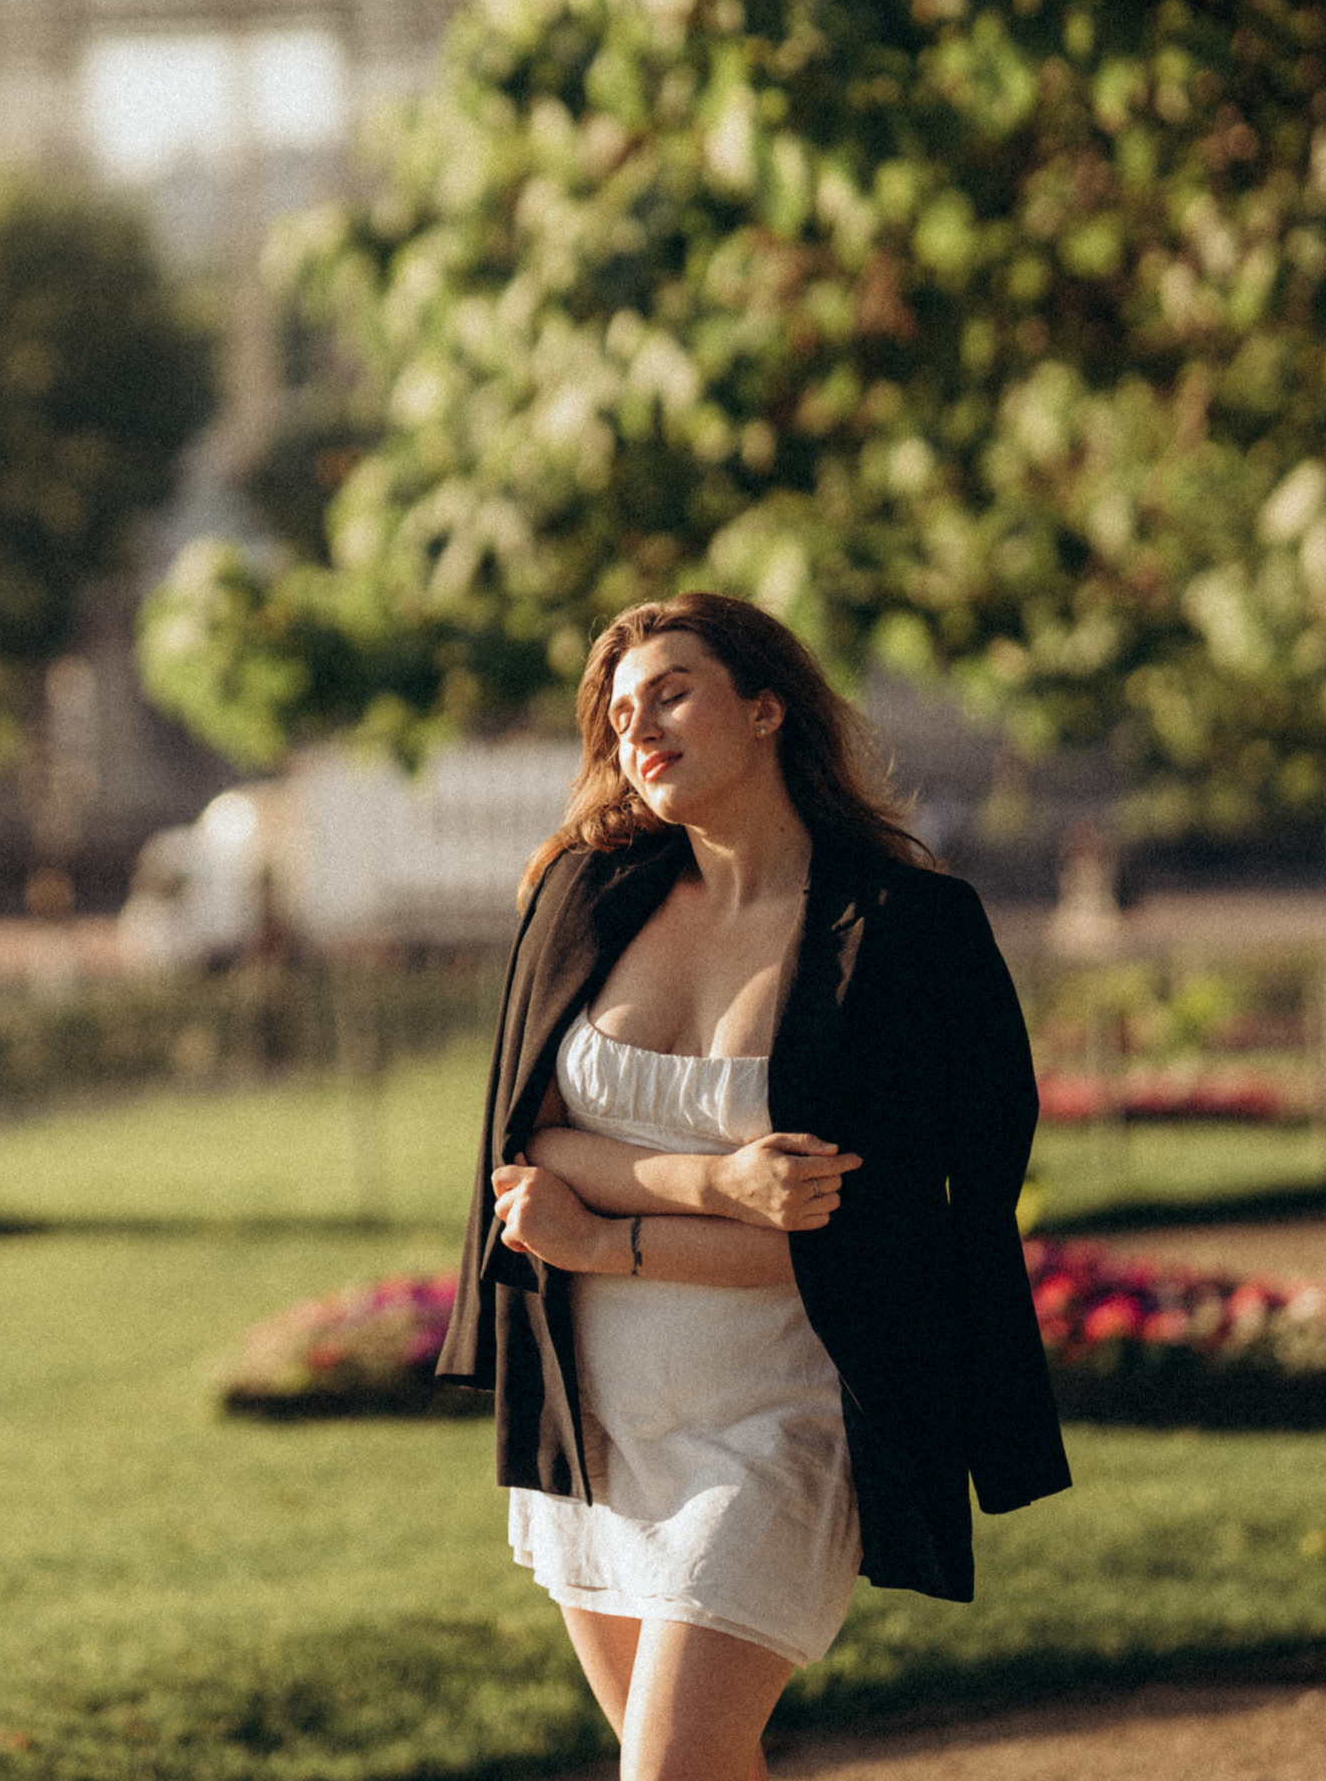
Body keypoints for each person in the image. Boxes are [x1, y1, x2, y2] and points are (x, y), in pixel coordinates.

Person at [433, 593, 1069, 1781]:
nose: (641, 728)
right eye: (620, 713)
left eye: (672, 691)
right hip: (595, 1417)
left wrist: (603, 1236)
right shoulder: (581, 894)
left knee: (666, 1766)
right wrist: (715, 1182)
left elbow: (864, 1241)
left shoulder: (899, 932)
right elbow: (528, 1145)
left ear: (767, 705)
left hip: (782, 1414)